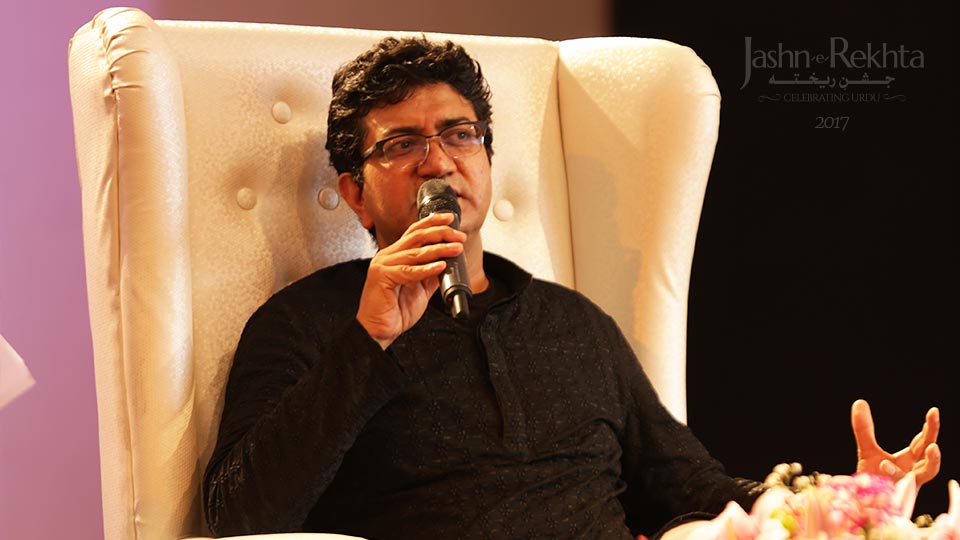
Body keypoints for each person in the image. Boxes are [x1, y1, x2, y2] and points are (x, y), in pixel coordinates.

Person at [202, 36, 941, 540]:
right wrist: (368, 343)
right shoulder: (305, 325)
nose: (439, 162)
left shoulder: (570, 321)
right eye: (401, 145)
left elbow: (691, 487)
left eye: (460, 134)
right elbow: (239, 517)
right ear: (355, 195)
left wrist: (841, 501)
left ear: (486, 161)